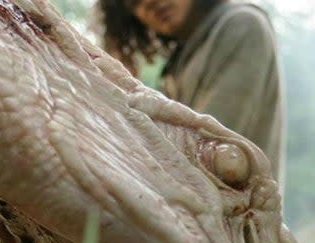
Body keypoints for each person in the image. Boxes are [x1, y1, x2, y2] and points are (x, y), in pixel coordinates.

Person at [95, 0, 286, 179]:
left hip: (236, 211)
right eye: (133, 0)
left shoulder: (242, 25)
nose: (149, 2)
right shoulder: (181, 59)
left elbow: (208, 151)